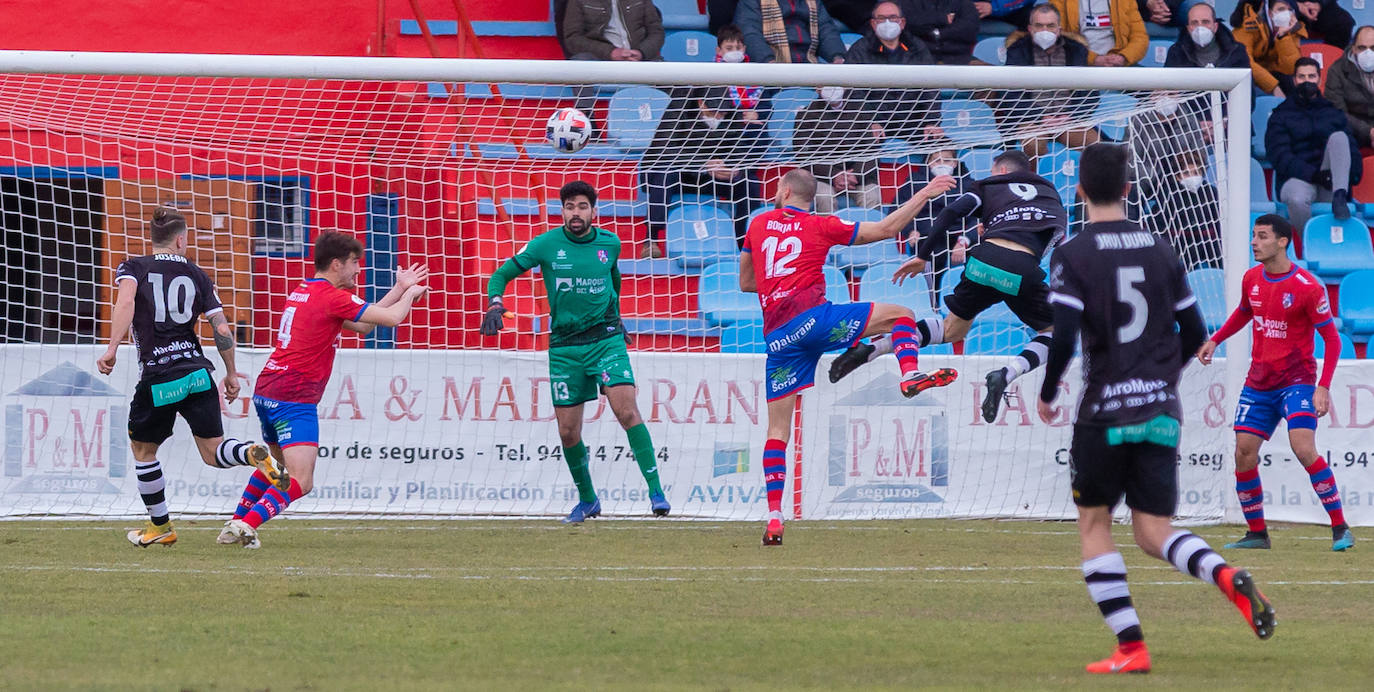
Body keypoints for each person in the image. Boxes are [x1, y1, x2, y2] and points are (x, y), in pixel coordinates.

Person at [1038, 142, 1276, 674]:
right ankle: (1222, 574)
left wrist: (1049, 390)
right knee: (1153, 531)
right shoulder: (1162, 248)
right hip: (1160, 410)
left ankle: (1131, 647)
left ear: (1079, 190)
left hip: (1103, 412)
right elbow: (1195, 333)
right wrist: (1159, 383)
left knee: (1095, 523)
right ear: (1129, 189)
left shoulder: (1073, 254)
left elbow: (1066, 335)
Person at [743, 169, 958, 546]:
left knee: (777, 431)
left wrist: (779, 278)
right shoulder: (821, 224)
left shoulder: (758, 223)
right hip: (814, 321)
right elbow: (886, 228)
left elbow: (746, 283)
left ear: (785, 190)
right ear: (809, 196)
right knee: (903, 316)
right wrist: (925, 191)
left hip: (778, 339)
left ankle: (775, 517)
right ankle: (908, 373)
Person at [219, 232, 429, 549]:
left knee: (275, 467)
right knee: (301, 480)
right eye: (354, 263)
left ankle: (234, 525)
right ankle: (245, 524)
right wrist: (411, 294)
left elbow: (363, 324)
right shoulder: (333, 298)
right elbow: (391, 318)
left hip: (268, 389)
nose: (359, 270)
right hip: (294, 394)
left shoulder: (306, 290)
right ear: (336, 264)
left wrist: (399, 288)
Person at [480, 181, 670, 524]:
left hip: (606, 339)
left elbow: (614, 280)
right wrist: (495, 302)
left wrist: (617, 316)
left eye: (582, 206)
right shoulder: (546, 244)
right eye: (569, 207)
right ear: (563, 211)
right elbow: (502, 273)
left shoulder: (610, 243)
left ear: (593, 211)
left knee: (626, 411)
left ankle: (656, 492)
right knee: (568, 431)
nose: (576, 213)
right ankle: (588, 500)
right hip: (565, 346)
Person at [830, 151, 1064, 425]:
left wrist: (922, 255)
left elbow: (951, 211)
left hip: (983, 261)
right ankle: (1006, 374)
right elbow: (1056, 242)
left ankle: (873, 350)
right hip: (1020, 269)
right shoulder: (1051, 196)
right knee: (1055, 333)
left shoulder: (989, 186)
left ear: (1000, 172)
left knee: (952, 329)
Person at [97, 208, 286, 547]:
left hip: (159, 375)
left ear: (153, 239)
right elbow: (222, 327)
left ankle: (161, 527)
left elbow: (125, 302)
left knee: (143, 450)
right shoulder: (198, 275)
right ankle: (248, 453)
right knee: (214, 452)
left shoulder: (133, 267)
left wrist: (112, 347)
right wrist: (230, 373)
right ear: (182, 239)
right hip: (198, 373)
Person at [1195, 214, 1354, 552]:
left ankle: (1340, 528)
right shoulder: (1252, 277)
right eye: (1254, 235)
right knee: (1244, 452)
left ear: (1283, 241)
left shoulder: (1308, 287)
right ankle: (1257, 534)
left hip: (1297, 381)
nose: (1255, 242)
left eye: (1263, 236)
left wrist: (1322, 386)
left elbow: (1332, 338)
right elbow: (1243, 312)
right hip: (1259, 382)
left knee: (1303, 447)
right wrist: (1215, 339)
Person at [640, 88, 766, 255]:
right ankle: (652, 239)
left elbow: (741, 150)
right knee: (664, 172)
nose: (719, 116)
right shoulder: (679, 109)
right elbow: (663, 149)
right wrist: (704, 164)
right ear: (701, 102)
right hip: (681, 175)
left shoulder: (731, 113)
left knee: (749, 183)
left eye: (723, 112)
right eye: (714, 111)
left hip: (713, 178)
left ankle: (744, 243)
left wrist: (733, 168)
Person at [1266, 57, 1362, 228]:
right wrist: (1313, 175)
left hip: (1331, 181)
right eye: (1301, 77)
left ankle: (1340, 195)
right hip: (1296, 179)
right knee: (1297, 199)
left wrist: (1351, 178)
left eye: (1311, 76)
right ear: (1294, 80)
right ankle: (1308, 243)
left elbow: (1351, 148)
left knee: (1340, 137)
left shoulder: (1333, 112)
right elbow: (1280, 156)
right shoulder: (1280, 115)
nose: (1307, 81)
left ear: (1319, 78)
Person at [1001, 5, 1102, 160]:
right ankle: (1033, 182)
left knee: (1095, 145)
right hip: (1031, 121)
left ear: (1059, 29)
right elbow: (1010, 95)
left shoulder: (1076, 50)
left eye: (1050, 26)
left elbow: (1090, 94)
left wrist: (1070, 115)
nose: (1045, 30)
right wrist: (1041, 117)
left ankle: (1091, 184)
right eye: (1039, 26)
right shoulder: (1018, 51)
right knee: (1032, 144)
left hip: (1069, 119)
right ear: (1030, 28)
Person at [843, 2, 940, 141]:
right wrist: (869, 121)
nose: (887, 22)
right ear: (873, 23)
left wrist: (932, 122)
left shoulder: (917, 47)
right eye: (881, 18)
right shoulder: (859, 50)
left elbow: (931, 87)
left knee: (943, 147)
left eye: (893, 17)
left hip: (913, 122)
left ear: (902, 22)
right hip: (874, 122)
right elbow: (853, 91)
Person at [793, 85, 885, 213]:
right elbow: (803, 155)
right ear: (817, 88)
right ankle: (828, 233)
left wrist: (855, 175)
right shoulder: (806, 114)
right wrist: (834, 175)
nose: (831, 88)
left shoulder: (861, 111)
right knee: (824, 197)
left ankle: (868, 233)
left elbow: (872, 150)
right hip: (822, 178)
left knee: (872, 196)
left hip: (858, 177)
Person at [735, 0, 848, 63]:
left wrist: (837, 56)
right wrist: (768, 62)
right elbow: (750, 33)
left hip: (811, 70)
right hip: (768, 74)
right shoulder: (750, 2)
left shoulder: (814, 2)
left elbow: (826, 30)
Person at [1232, 0, 1304, 98]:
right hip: (1247, 76)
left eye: (1290, 10)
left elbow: (1291, 68)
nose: (1286, 13)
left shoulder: (1291, 28)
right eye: (1281, 9)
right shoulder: (1247, 25)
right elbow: (1245, 61)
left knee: (1292, 84)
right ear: (1269, 13)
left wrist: (1283, 37)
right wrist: (1273, 86)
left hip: (1270, 75)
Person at [1048, 0, 1149, 67]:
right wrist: (1094, 59)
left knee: (1158, 93)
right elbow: (1059, 37)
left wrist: (1123, 57)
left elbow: (1140, 37)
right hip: (1080, 64)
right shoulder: (1060, 1)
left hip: (1119, 65)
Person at [1322, 25, 1374, 150]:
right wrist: (1370, 132)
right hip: (1354, 131)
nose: (1368, 53)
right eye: (1362, 48)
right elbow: (1337, 111)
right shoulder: (1337, 70)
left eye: (1373, 48)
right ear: (1353, 49)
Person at [1164, 3, 1252, 71]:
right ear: (1188, 28)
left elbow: (1247, 90)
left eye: (1205, 22)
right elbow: (1167, 87)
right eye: (1194, 23)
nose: (1200, 27)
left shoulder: (1236, 51)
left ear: (1215, 27)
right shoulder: (1176, 52)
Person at [1235, 0, 1354, 48]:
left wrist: (1318, 4)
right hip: (1288, 5)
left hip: (1318, 6)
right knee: (1283, 14)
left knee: (1344, 22)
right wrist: (1299, 6)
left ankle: (1331, 62)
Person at [715, 24, 770, 126]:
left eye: (738, 48)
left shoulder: (755, 74)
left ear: (744, 49)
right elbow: (715, 105)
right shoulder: (712, 75)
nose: (734, 52)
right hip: (726, 128)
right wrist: (741, 116)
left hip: (754, 125)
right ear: (719, 50)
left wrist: (757, 114)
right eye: (729, 48)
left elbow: (767, 105)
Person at [900, 0, 980, 64]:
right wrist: (941, 18)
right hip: (918, 57)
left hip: (958, 58)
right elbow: (908, 23)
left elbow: (969, 29)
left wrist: (937, 33)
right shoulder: (909, 2)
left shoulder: (963, 3)